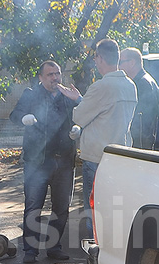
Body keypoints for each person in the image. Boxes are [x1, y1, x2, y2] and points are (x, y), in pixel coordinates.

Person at [59, 39, 138, 239]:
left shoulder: (101, 86)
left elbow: (79, 117)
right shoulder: (130, 85)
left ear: (100, 58)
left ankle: (93, 260)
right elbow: (106, 111)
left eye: (95, 57)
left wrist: (78, 104)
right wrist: (79, 98)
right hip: (120, 157)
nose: (95, 61)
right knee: (115, 210)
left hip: (97, 160)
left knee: (94, 214)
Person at [9, 60, 79, 263]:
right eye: (50, 74)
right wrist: (24, 118)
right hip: (37, 162)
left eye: (57, 73)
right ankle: (30, 251)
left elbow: (80, 117)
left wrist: (78, 129)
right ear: (40, 78)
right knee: (33, 206)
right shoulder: (30, 95)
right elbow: (14, 115)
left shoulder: (67, 96)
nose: (55, 78)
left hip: (64, 161)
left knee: (61, 208)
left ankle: (54, 247)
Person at [119, 47, 159, 149]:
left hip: (140, 145)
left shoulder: (142, 84)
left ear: (132, 62)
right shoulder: (144, 81)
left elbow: (140, 119)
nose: (118, 66)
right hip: (143, 143)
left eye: (120, 62)